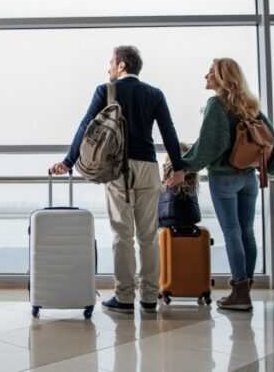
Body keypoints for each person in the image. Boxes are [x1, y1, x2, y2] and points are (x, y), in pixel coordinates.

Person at [50, 46, 185, 314]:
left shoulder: (106, 91)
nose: (108, 67)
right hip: (148, 168)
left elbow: (85, 125)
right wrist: (178, 169)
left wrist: (68, 161)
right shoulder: (155, 94)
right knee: (148, 237)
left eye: (111, 62)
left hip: (118, 169)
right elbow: (168, 131)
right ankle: (149, 297)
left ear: (122, 65)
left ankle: (124, 297)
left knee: (122, 236)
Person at [174, 58, 274, 311]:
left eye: (210, 72)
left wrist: (184, 168)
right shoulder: (250, 105)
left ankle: (240, 293)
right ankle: (245, 290)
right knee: (247, 232)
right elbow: (269, 138)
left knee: (232, 233)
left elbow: (210, 146)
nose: (205, 75)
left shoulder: (216, 105)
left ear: (221, 78)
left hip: (224, 178)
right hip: (249, 178)